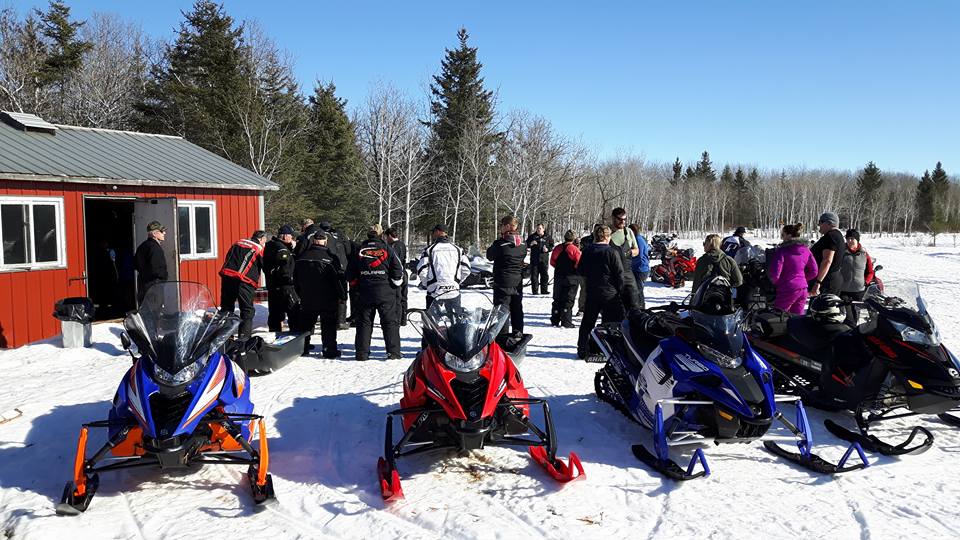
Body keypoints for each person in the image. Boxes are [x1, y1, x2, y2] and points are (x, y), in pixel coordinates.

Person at [349, 224, 404, 361]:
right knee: (389, 323)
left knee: (364, 323)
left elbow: (350, 273)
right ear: (381, 235)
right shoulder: (387, 249)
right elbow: (398, 269)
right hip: (385, 291)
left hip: (365, 291)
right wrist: (395, 283)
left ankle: (362, 354)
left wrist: (357, 283)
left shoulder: (359, 249)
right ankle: (393, 353)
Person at [294, 231, 346, 357]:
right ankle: (329, 349)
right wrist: (342, 295)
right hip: (327, 297)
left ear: (313, 241)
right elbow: (338, 279)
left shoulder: (302, 256)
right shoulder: (331, 258)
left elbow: (295, 278)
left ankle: (303, 347)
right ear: (325, 241)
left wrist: (299, 292)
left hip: (307, 296)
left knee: (306, 325)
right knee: (328, 325)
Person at [577, 225, 625, 359]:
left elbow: (580, 270)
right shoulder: (611, 252)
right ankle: (607, 349)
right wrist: (620, 290)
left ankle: (582, 347)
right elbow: (619, 273)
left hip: (592, 290)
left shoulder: (587, 250)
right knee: (610, 322)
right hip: (609, 293)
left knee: (587, 321)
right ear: (607, 237)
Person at [220, 231, 267, 340]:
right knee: (247, 310)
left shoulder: (238, 243)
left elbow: (229, 257)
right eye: (264, 241)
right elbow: (265, 265)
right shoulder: (258, 248)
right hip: (245, 280)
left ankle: (225, 336)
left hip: (227, 276)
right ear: (261, 239)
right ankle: (244, 338)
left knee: (226, 308)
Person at [486, 216, 526, 338]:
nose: (500, 228)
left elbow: (489, 256)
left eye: (502, 226)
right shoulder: (523, 243)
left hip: (502, 282)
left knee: (502, 311)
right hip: (517, 281)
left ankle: (503, 338)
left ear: (507, 226)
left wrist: (496, 243)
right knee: (517, 309)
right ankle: (518, 334)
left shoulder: (500, 244)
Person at [416, 224, 471, 310]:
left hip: (434, 292)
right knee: (455, 317)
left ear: (438, 232)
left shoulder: (429, 250)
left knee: (432, 318)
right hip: (453, 291)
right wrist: (456, 282)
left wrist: (427, 284)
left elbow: (421, 269)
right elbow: (466, 269)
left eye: (433, 232)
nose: (432, 234)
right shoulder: (458, 250)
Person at [767, 223, 818, 314]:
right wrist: (801, 279)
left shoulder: (782, 251)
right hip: (802, 289)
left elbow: (775, 273)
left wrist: (777, 283)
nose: (781, 237)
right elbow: (814, 271)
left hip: (787, 288)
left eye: (783, 235)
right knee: (797, 318)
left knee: (778, 317)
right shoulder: (806, 250)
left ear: (789, 236)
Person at [262, 225, 298, 332]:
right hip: (284, 285)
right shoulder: (282, 249)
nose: (292, 238)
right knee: (293, 311)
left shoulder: (270, 245)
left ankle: (274, 333)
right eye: (291, 236)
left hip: (272, 284)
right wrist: (290, 279)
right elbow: (284, 267)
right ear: (285, 236)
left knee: (275, 312)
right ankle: (295, 335)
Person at [318, 221, 350, 329]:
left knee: (328, 294)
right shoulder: (340, 235)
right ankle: (341, 320)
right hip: (342, 267)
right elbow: (348, 250)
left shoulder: (322, 237)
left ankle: (329, 318)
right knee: (342, 294)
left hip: (327, 267)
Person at [839, 229, 875, 323]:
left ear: (857, 240)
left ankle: (853, 329)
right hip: (843, 290)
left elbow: (870, 272)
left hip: (858, 291)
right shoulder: (841, 252)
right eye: (847, 238)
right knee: (846, 315)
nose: (849, 241)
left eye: (852, 238)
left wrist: (866, 282)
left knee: (855, 316)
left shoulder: (864, 254)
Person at [609, 208, 641, 314]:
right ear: (613, 218)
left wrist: (629, 252)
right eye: (620, 219)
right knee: (614, 308)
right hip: (612, 274)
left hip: (627, 272)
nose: (623, 222)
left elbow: (637, 250)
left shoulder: (628, 232)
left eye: (624, 219)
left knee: (634, 303)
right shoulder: (607, 232)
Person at [549, 230, 581, 328]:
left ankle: (555, 319)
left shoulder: (557, 248)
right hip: (571, 277)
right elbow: (579, 263)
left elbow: (552, 262)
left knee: (557, 298)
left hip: (559, 276)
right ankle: (566, 321)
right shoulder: (574, 249)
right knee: (568, 299)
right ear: (574, 238)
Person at [810, 212, 846, 296]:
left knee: (821, 304)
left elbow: (827, 261)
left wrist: (818, 282)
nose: (819, 225)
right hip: (831, 279)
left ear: (830, 223)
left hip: (827, 282)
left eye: (821, 222)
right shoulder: (837, 235)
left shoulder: (831, 236)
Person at [134, 221, 168, 304]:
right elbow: (157, 270)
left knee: (144, 309)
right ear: (154, 234)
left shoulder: (142, 246)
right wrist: (163, 278)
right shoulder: (155, 248)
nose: (164, 233)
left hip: (143, 286)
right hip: (154, 287)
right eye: (161, 231)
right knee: (155, 310)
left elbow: (136, 265)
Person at [384, 228, 410, 324]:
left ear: (389, 236)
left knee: (397, 297)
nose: (386, 239)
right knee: (404, 297)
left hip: (397, 274)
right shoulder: (402, 244)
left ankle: (397, 319)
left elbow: (393, 262)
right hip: (404, 272)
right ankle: (403, 319)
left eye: (386, 237)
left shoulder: (392, 246)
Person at [576, 225, 599, 316]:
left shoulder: (603, 240)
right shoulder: (586, 240)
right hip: (585, 268)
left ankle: (599, 309)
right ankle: (582, 308)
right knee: (584, 289)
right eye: (596, 230)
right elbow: (578, 250)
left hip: (598, 268)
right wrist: (577, 244)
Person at [526, 224, 554, 295]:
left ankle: (544, 290)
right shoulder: (532, 236)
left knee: (544, 275)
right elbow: (526, 244)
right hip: (534, 259)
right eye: (537, 228)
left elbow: (552, 246)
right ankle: (535, 291)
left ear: (543, 229)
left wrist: (548, 249)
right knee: (534, 276)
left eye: (540, 228)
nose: (538, 230)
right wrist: (531, 243)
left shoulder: (548, 237)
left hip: (544, 259)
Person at [628, 223, 650, 310]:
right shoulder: (638, 239)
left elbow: (639, 256)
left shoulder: (638, 240)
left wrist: (629, 262)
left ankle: (641, 308)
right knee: (636, 289)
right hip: (639, 268)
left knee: (638, 290)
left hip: (640, 268)